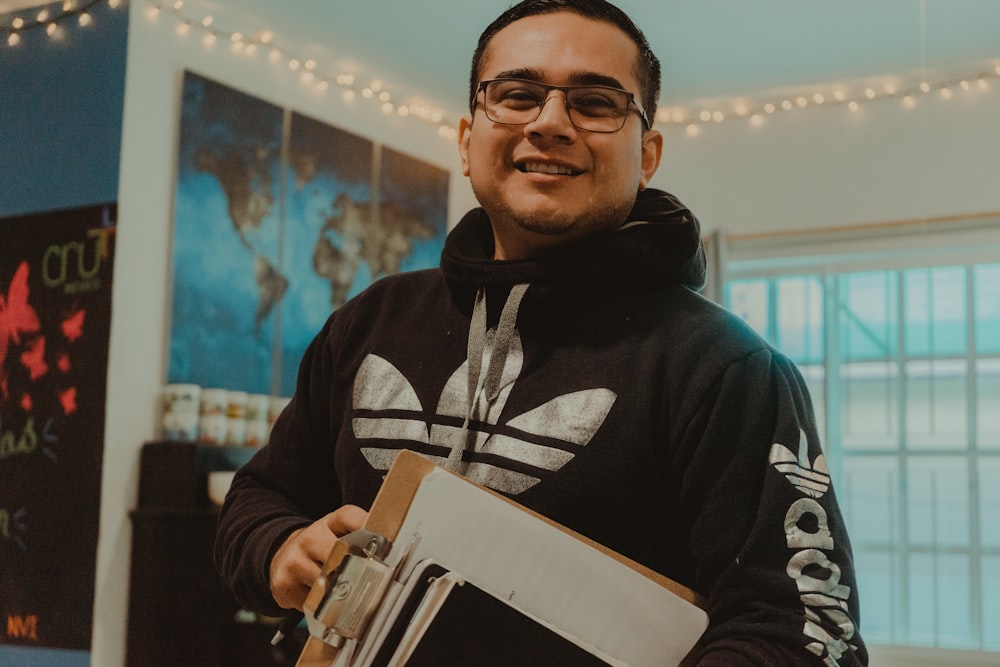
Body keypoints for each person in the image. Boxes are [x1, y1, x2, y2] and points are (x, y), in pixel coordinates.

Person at [215, 1, 868, 664]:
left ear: (647, 154)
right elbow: (260, 497)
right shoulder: (368, 321)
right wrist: (279, 547)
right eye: (518, 94)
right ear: (468, 140)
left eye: (595, 101)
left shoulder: (729, 368)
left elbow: (801, 633)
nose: (551, 122)